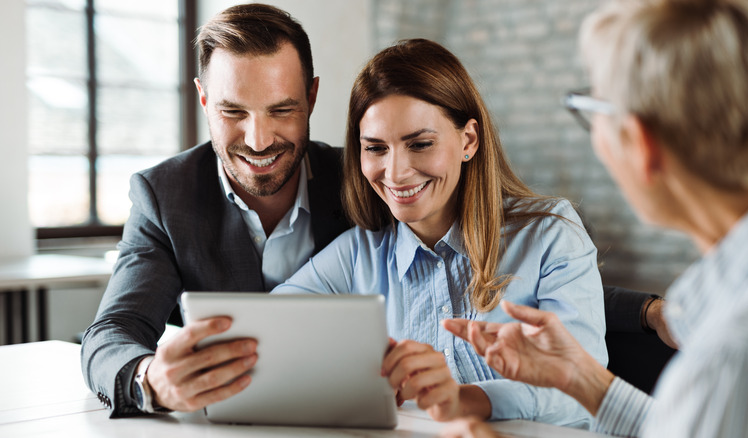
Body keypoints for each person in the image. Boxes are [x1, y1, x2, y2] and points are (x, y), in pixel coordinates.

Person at [444, 0, 748, 436]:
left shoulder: (731, 347)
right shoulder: (724, 292)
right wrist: (583, 379)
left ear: (641, 144)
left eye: (594, 113)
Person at [272, 38, 608, 427]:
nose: (395, 173)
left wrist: (463, 398)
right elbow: (272, 335)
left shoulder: (550, 235)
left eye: (420, 144)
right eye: (376, 148)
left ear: (468, 141)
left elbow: (587, 388)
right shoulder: (355, 256)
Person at [80, 3, 350, 417]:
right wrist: (149, 380)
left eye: (281, 110)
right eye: (233, 111)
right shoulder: (164, 195)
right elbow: (112, 332)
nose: (258, 141)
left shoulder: (362, 181)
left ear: (311, 98)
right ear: (204, 99)